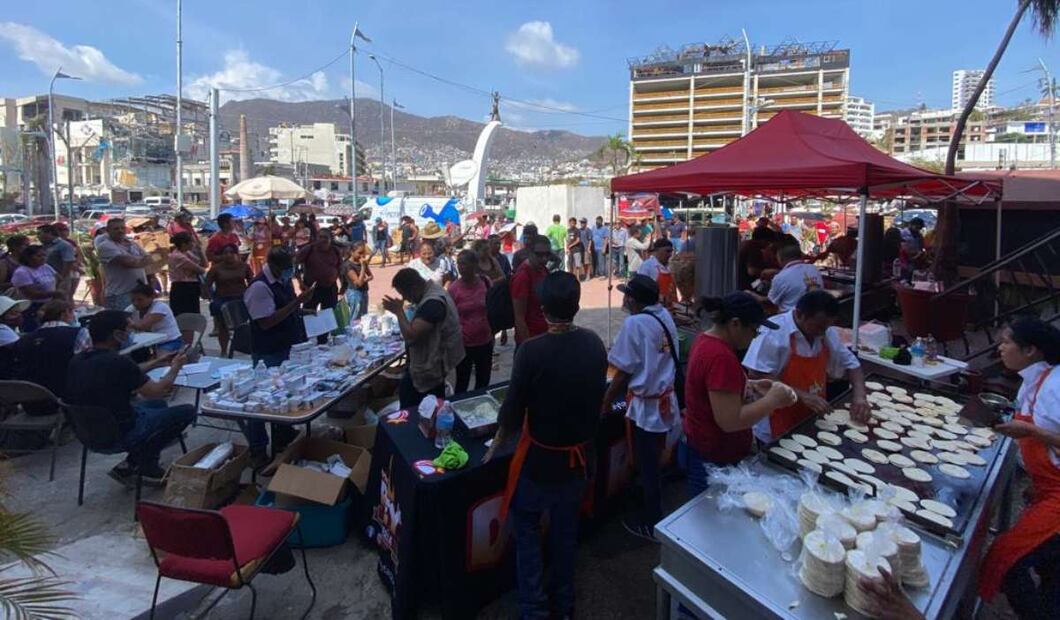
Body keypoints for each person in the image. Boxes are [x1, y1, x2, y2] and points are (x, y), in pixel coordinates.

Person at [483, 271, 606, 620]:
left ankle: (534, 610)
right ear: (578, 305)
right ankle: (563, 604)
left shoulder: (532, 351)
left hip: (540, 463)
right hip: (578, 460)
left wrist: (494, 446)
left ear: (542, 307)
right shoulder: (594, 343)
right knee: (565, 537)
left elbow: (511, 412)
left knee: (527, 536)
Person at [978, 317, 1060, 619]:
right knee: (1053, 571)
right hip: (1048, 490)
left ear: (1030, 350)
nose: (1000, 348)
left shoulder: (1056, 386)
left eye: (1007, 342)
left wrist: (1031, 432)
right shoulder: (1036, 380)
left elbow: (1042, 432)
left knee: (1007, 560)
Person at [681, 293, 795, 495]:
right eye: (754, 330)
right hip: (715, 456)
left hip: (704, 446)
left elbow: (710, 389)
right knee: (708, 518)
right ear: (735, 324)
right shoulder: (720, 357)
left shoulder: (704, 340)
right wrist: (772, 400)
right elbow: (730, 421)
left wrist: (746, 384)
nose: (754, 337)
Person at [66, 310, 196, 486]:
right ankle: (144, 464)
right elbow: (157, 390)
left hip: (88, 432)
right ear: (118, 335)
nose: (131, 334)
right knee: (187, 411)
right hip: (121, 433)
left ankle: (132, 464)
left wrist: (157, 362)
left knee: (156, 405)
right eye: (129, 330)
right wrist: (176, 367)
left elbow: (128, 373)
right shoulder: (118, 362)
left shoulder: (79, 360)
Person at [602, 274, 680, 540]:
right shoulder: (664, 315)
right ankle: (648, 500)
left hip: (648, 406)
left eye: (626, 295)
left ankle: (652, 521)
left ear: (632, 300)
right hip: (665, 399)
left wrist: (606, 402)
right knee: (655, 458)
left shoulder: (635, 323)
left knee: (647, 463)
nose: (624, 299)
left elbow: (622, 371)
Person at [743, 290, 869, 443]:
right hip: (775, 420)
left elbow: (852, 364)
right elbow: (757, 374)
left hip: (810, 419)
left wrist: (860, 397)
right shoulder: (773, 333)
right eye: (819, 326)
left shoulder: (825, 333)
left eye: (827, 327)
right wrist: (803, 396)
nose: (823, 332)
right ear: (799, 314)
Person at [243, 248, 315, 463]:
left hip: (287, 346)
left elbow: (285, 308)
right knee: (261, 399)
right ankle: (258, 449)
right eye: (287, 268)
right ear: (274, 266)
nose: (290, 272)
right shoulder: (259, 287)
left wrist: (305, 311)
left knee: (285, 394)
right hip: (268, 350)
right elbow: (266, 322)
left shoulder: (282, 281)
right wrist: (297, 303)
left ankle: (283, 433)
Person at [381, 268, 465, 410]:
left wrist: (398, 312)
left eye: (404, 294)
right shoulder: (434, 291)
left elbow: (411, 335)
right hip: (431, 363)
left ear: (414, 288)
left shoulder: (432, 303)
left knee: (418, 408)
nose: (405, 299)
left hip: (430, 368)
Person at [10, 299, 90, 406]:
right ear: (65, 312)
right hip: (67, 398)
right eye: (73, 312)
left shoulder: (24, 340)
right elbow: (87, 364)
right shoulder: (79, 333)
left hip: (30, 401)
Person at [448, 250, 492, 394]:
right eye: (458, 264)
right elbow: (449, 317)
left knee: (483, 380)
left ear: (474, 265)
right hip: (464, 343)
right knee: (462, 381)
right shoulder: (454, 289)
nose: (460, 267)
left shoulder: (485, 282)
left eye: (464, 264)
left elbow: (493, 307)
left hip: (485, 341)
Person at [205, 244, 253, 356]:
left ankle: (247, 346)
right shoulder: (215, 268)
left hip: (241, 298)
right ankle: (223, 350)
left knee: (245, 324)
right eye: (225, 253)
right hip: (222, 299)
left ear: (237, 254)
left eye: (231, 252)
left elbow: (252, 282)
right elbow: (207, 285)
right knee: (223, 326)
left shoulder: (244, 266)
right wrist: (210, 297)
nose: (228, 255)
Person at [297, 229, 343, 342]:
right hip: (312, 288)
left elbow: (340, 268)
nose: (322, 240)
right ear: (316, 238)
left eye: (325, 238)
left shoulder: (335, 251)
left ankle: (322, 340)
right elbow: (295, 265)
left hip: (330, 287)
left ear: (330, 239)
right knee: (308, 313)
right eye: (320, 237)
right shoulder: (309, 249)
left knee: (327, 314)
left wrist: (344, 284)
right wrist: (300, 283)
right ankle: (304, 340)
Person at [96, 218, 150, 310]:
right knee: (122, 321)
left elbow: (150, 259)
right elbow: (128, 262)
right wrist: (141, 260)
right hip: (120, 294)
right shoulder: (105, 246)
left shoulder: (132, 244)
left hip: (138, 292)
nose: (120, 231)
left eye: (122, 228)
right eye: (116, 229)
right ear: (108, 230)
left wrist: (137, 261)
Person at [511, 235, 551, 345]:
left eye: (547, 254)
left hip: (544, 335)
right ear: (530, 252)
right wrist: (528, 346)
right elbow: (519, 317)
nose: (544, 259)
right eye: (539, 255)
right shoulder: (522, 276)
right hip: (531, 339)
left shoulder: (543, 269)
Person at [126, 281, 183, 352]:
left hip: (170, 341)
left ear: (152, 297)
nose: (136, 303)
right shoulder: (132, 308)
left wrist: (128, 321)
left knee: (160, 359)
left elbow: (142, 326)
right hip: (150, 344)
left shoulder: (160, 307)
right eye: (133, 300)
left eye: (140, 300)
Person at [11, 245, 58, 332]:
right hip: (31, 307)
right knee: (34, 330)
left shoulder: (46, 267)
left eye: (44, 255)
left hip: (49, 304)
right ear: (28, 257)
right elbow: (32, 294)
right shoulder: (22, 272)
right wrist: (55, 293)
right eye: (39, 256)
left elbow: (60, 279)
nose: (43, 258)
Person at [768, 242, 824, 312]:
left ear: (780, 259)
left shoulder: (780, 277)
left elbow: (770, 302)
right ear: (800, 256)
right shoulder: (813, 268)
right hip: (816, 313)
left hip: (793, 318)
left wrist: (755, 296)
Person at [167, 232, 206, 319]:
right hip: (182, 287)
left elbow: (204, 264)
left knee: (192, 317)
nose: (193, 244)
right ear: (184, 244)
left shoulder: (187, 253)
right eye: (191, 242)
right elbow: (200, 270)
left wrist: (200, 251)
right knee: (184, 317)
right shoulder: (178, 257)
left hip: (191, 286)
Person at [37, 224, 75, 299]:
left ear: (49, 233)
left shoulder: (63, 245)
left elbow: (69, 263)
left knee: (60, 301)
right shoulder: (45, 245)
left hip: (60, 278)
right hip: (46, 279)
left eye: (39, 233)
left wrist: (61, 278)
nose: (38, 236)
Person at [637, 238, 678, 307]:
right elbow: (641, 289)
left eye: (671, 251)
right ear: (657, 251)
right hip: (655, 308)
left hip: (672, 307)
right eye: (667, 251)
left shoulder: (670, 266)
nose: (670, 254)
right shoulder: (647, 266)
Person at [53, 222, 84, 300]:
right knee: (64, 294)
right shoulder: (56, 245)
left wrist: (77, 262)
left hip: (75, 271)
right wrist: (77, 268)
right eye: (60, 230)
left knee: (71, 294)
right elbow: (66, 260)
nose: (64, 232)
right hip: (65, 271)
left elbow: (79, 253)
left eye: (65, 230)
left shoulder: (71, 242)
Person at [343, 241, 372, 319]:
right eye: (360, 253)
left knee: (364, 316)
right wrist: (362, 267)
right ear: (352, 252)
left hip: (364, 291)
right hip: (354, 293)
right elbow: (359, 283)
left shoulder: (362, 262)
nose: (362, 255)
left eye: (364, 253)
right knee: (355, 317)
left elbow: (371, 276)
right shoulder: (348, 265)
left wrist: (363, 280)